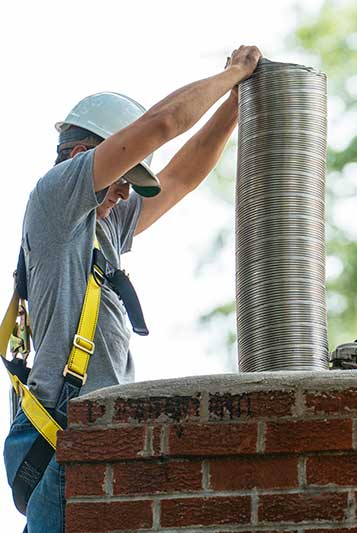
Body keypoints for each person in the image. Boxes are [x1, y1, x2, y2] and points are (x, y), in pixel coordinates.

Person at [4, 45, 262, 532]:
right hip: (67, 430)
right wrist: (233, 74)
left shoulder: (102, 227)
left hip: (99, 430)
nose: (125, 195)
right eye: (122, 179)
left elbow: (180, 178)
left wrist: (233, 108)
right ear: (84, 158)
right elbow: (163, 124)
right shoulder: (58, 196)